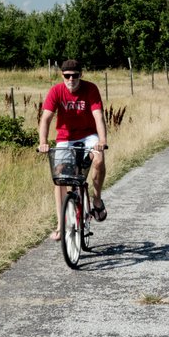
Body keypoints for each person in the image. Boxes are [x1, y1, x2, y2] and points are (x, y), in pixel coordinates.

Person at [37, 59, 109, 239]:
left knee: (99, 159)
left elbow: (98, 116)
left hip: (88, 135)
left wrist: (102, 140)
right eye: (67, 76)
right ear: (62, 75)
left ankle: (97, 199)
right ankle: (61, 224)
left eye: (75, 76)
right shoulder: (56, 91)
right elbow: (45, 118)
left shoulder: (90, 89)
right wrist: (43, 142)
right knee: (59, 174)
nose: (71, 79)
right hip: (65, 138)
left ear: (80, 75)